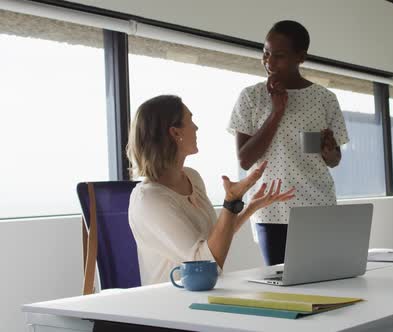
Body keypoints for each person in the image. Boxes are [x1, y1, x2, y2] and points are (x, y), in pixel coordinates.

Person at [127, 95, 295, 285]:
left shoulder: (192, 177)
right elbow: (204, 265)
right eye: (190, 120)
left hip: (206, 293)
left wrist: (249, 207)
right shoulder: (149, 198)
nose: (196, 128)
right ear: (175, 133)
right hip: (173, 301)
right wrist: (230, 203)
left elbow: (213, 237)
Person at [228, 20, 349, 265]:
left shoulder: (325, 99)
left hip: (317, 207)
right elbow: (245, 159)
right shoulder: (251, 97)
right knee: (281, 286)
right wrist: (276, 113)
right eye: (265, 53)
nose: (269, 63)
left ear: (300, 57)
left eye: (279, 56)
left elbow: (334, 160)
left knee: (323, 282)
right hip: (270, 210)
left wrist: (329, 152)